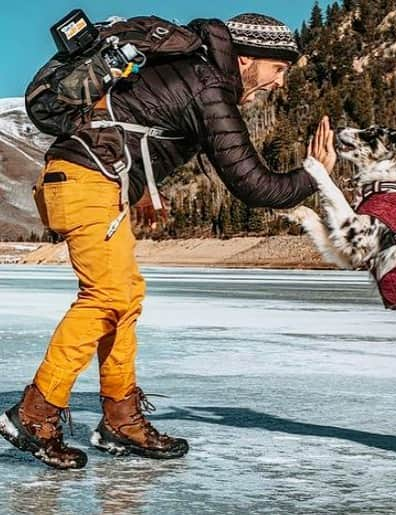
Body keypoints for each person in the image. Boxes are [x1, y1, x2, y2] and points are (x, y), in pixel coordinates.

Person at [0, 12, 336, 469]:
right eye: (278, 69)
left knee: (125, 298)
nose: (278, 83)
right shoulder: (209, 84)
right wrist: (316, 173)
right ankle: (34, 413)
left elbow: (137, 120)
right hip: (87, 184)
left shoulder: (190, 67)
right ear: (247, 58)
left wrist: (135, 188)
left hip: (88, 182)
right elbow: (255, 186)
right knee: (107, 297)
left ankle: (121, 420)